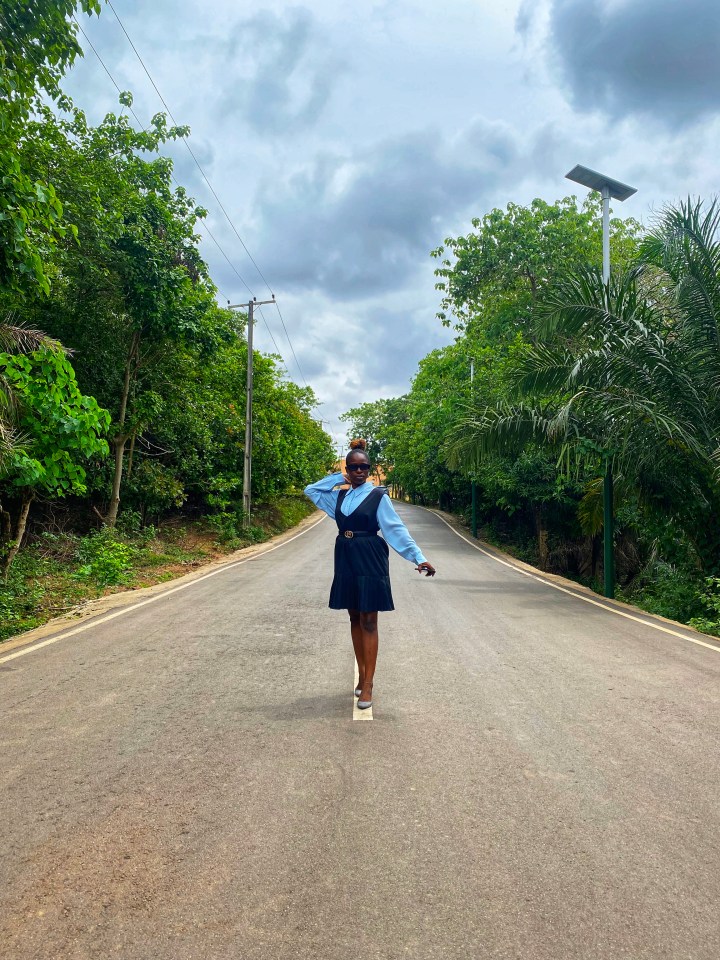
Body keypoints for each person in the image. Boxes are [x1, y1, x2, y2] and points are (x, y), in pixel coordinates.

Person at [304, 439, 435, 710]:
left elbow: (395, 529)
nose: (359, 471)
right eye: (353, 467)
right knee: (354, 616)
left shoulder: (378, 497)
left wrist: (418, 557)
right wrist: (338, 478)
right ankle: (362, 674)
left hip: (371, 556)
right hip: (345, 555)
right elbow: (311, 490)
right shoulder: (339, 497)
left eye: (363, 467)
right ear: (347, 470)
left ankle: (368, 684)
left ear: (369, 469)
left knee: (369, 620)